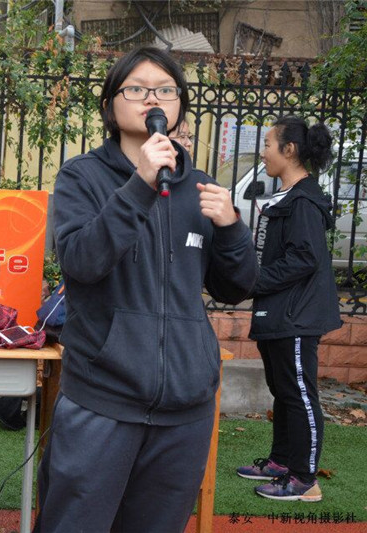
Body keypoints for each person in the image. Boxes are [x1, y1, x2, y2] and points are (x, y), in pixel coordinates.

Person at [34, 47, 258, 533]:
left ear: (179, 106)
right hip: (102, 401)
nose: (151, 99)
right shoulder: (82, 177)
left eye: (165, 90)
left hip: (186, 408)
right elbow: (82, 262)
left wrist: (232, 229)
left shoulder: (200, 188)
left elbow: (236, 287)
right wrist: (140, 184)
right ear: (110, 105)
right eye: (136, 89)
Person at [236, 116, 342, 502]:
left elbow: (304, 258)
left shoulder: (303, 202)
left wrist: (255, 281)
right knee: (282, 390)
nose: (263, 152)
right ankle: (281, 462)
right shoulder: (289, 197)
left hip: (298, 315)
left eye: (268, 144)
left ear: (289, 150)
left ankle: (304, 479)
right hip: (280, 313)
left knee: (299, 394)